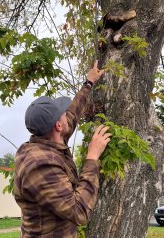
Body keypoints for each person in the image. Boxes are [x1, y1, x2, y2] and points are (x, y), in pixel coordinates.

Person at [14, 61, 111, 237]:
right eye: (63, 113)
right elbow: (79, 212)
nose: (67, 114)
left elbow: (73, 115)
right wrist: (92, 158)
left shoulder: (49, 139)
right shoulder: (40, 165)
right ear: (58, 126)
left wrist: (88, 83)